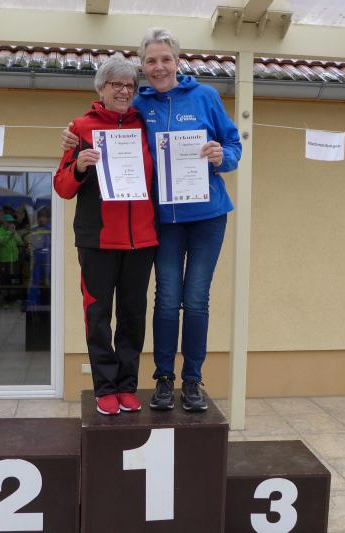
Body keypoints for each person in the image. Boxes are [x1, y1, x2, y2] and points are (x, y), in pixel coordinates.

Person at [61, 28, 241, 412]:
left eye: (166, 59)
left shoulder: (205, 97)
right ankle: (162, 379)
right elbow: (103, 120)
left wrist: (221, 156)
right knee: (166, 299)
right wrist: (72, 140)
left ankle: (191, 380)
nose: (159, 67)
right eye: (151, 61)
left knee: (195, 300)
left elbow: (233, 145)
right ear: (143, 66)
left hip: (205, 216)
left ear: (177, 61)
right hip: (162, 221)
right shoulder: (137, 107)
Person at [54, 53, 159, 416]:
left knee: (132, 315)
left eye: (130, 85)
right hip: (97, 240)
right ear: (101, 88)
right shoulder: (81, 128)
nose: (124, 91)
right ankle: (105, 388)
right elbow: (62, 187)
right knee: (98, 316)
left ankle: (127, 386)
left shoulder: (146, 125)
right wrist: (79, 167)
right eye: (117, 84)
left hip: (141, 240)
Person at [0, 213, 24, 305]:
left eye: (11, 222)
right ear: (3, 222)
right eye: (8, 222)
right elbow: (1, 241)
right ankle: (4, 300)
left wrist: (14, 233)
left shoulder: (13, 231)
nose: (10, 223)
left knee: (13, 279)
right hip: (4, 259)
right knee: (4, 280)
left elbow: (20, 242)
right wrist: (10, 233)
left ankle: (12, 299)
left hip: (14, 259)